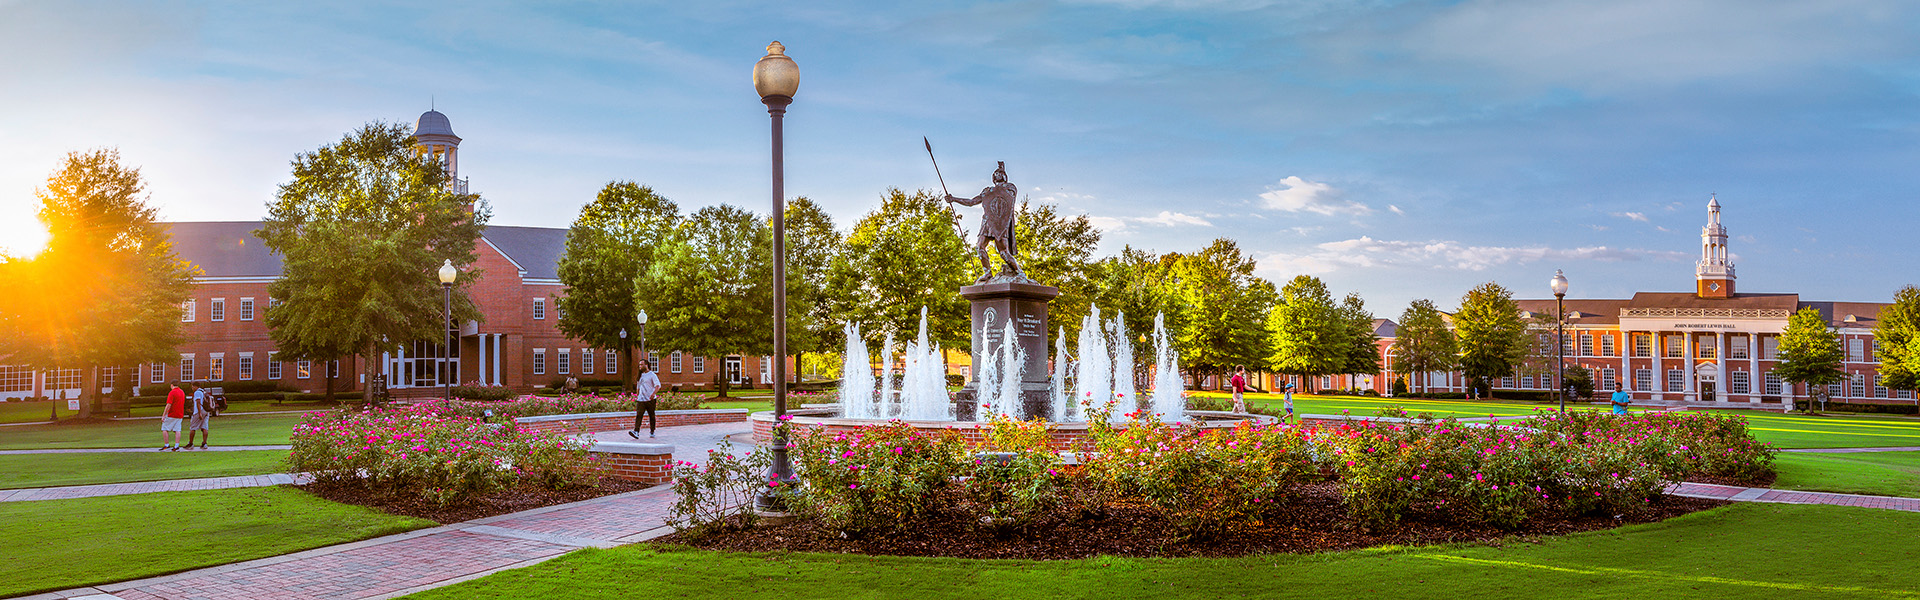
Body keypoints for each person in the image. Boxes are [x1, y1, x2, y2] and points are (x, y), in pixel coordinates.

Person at [629, 360, 662, 439]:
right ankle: (636, 432)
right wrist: (638, 396)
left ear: (646, 365)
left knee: (652, 416)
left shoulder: (652, 375)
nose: (640, 366)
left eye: (641, 364)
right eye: (639, 365)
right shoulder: (640, 375)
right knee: (639, 415)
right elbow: (638, 387)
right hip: (641, 400)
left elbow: (658, 385)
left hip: (650, 400)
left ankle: (652, 431)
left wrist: (653, 394)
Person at [160, 383, 186, 451]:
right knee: (177, 430)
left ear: (172, 385)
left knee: (164, 428)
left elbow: (168, 404)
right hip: (180, 413)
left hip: (172, 414)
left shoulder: (172, 392)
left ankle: (166, 444)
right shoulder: (182, 392)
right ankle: (176, 445)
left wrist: (163, 415)